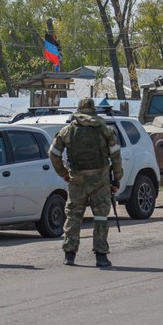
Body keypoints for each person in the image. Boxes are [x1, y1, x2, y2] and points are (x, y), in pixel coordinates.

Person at [49, 97, 123, 267]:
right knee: (100, 217)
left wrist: (64, 173)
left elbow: (53, 153)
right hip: (100, 180)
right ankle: (101, 256)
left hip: (77, 180)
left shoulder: (68, 130)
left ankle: (69, 254)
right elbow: (116, 157)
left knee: (74, 215)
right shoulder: (105, 129)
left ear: (79, 110)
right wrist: (116, 179)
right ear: (93, 109)